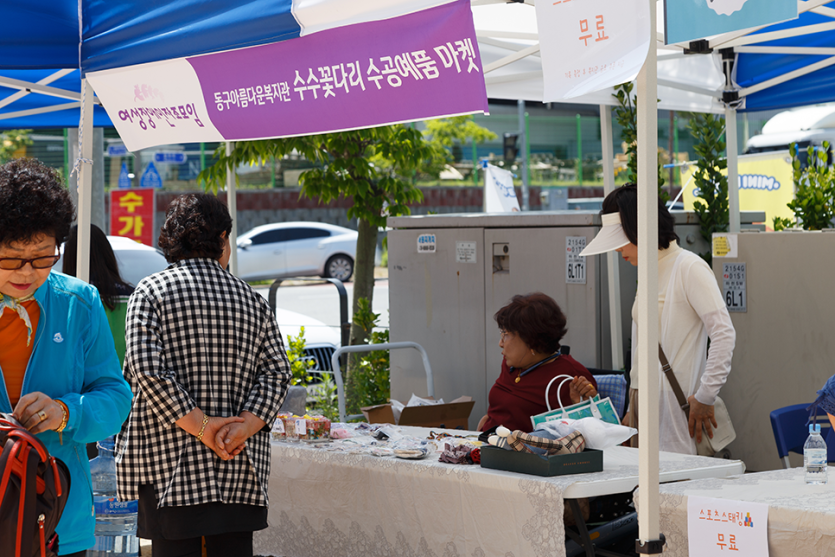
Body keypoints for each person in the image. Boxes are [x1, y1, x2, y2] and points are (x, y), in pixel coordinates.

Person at [116, 193, 291, 557]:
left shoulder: (150, 292)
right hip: (240, 466)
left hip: (169, 470)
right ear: (223, 239)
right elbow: (277, 373)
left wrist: (204, 427)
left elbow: (149, 371)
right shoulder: (252, 299)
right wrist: (243, 426)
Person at [0, 158, 132, 556]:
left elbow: (115, 397)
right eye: (11, 258)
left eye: (43, 257)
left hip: (57, 519)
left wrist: (66, 412)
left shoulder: (79, 302)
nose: (27, 272)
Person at [580, 183, 736, 454]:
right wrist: (633, 406)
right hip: (644, 398)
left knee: (676, 475)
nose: (616, 250)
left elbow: (723, 333)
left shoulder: (689, 267)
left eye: (620, 239)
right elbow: (644, 346)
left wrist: (705, 395)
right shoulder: (649, 269)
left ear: (638, 228)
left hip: (675, 401)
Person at [478, 292, 598, 433]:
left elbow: (589, 430)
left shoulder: (569, 375)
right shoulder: (512, 364)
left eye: (506, 334)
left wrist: (583, 406)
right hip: (485, 441)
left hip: (524, 446)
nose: (501, 343)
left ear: (530, 340)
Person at [62, 223, 135, 365]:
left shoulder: (66, 300)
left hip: (84, 377)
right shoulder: (133, 296)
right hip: (126, 377)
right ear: (107, 254)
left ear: (70, 257)